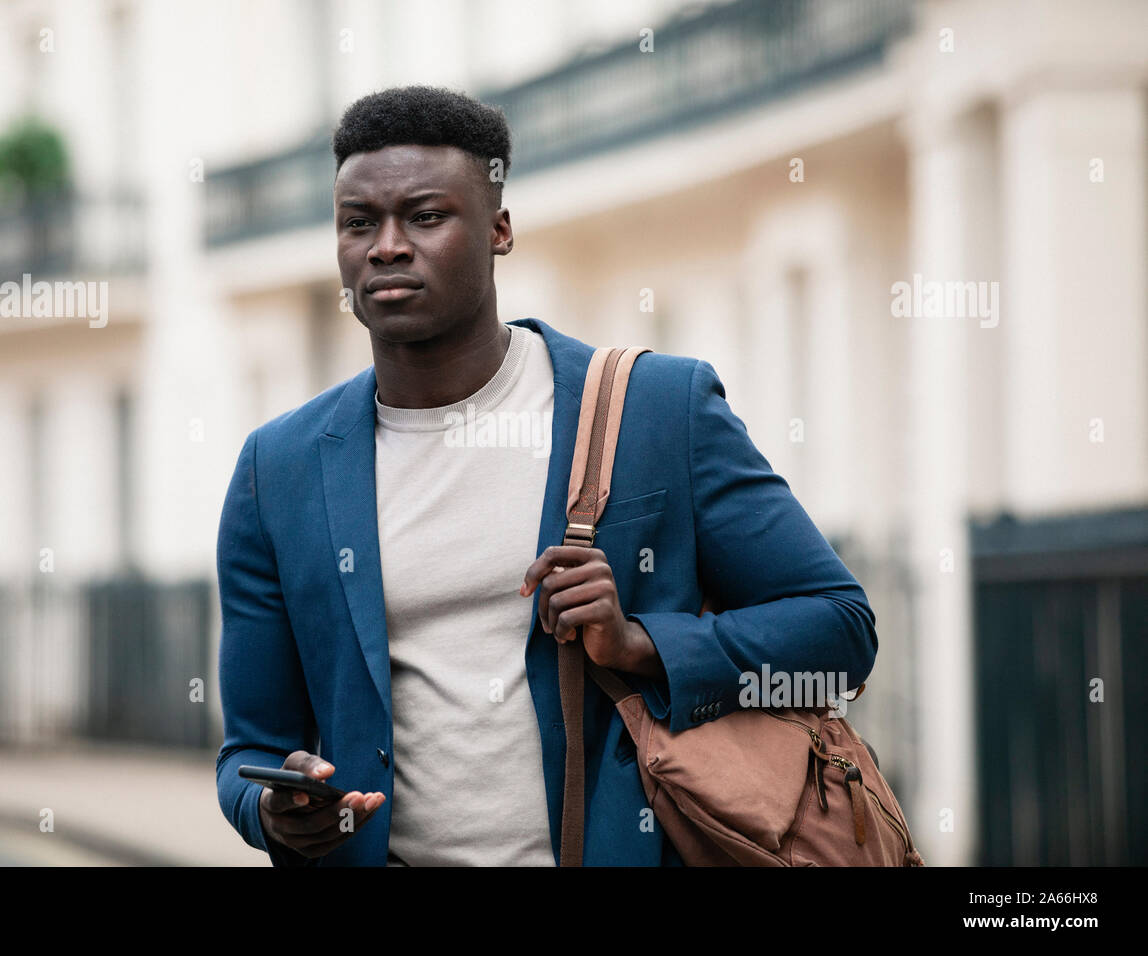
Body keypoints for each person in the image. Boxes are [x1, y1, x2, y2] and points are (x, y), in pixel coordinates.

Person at [214, 85, 878, 866]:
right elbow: (247, 754)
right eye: (359, 222)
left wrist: (641, 644)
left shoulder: (656, 409)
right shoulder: (279, 468)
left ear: (499, 230)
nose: (386, 246)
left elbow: (841, 629)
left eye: (426, 217)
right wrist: (276, 809)